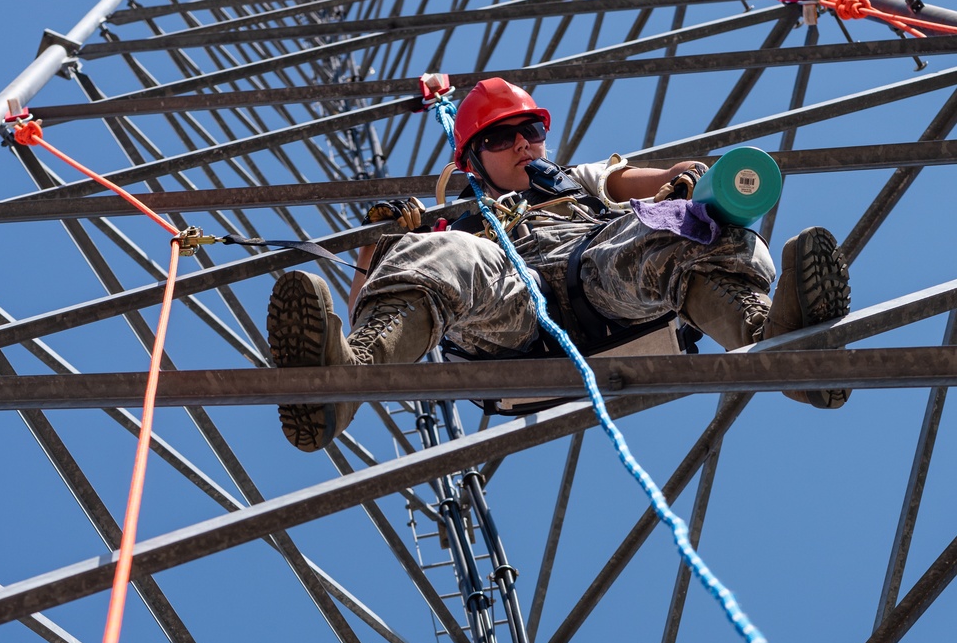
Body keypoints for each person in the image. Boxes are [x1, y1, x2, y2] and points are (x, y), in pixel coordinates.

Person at [268, 78, 851, 452]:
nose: (523, 144)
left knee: (678, 220)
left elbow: (666, 178)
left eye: (531, 130)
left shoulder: (580, 181)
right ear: (472, 159)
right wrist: (380, 243)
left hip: (607, 285)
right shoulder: (450, 225)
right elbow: (370, 297)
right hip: (512, 322)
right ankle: (345, 382)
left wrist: (688, 184)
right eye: (502, 138)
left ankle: (776, 343)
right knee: (444, 253)